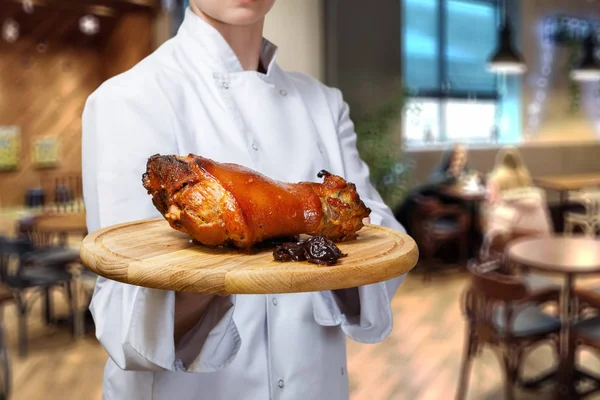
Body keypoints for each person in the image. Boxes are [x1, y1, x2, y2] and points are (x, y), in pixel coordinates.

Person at [81, 1, 406, 399]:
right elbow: (122, 323)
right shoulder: (126, 99)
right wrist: (212, 261)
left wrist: (313, 237)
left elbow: (384, 247)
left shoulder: (324, 104)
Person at [480, 147, 552, 258]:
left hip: (509, 229)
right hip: (535, 232)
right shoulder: (525, 176)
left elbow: (492, 200)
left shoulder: (496, 177)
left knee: (483, 216)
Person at [393, 143, 471, 234]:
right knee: (411, 199)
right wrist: (450, 174)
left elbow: (467, 184)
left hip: (449, 203)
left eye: (460, 155)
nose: (457, 158)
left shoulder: (466, 171)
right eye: (455, 155)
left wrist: (458, 175)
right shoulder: (443, 168)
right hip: (431, 196)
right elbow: (433, 180)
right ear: (449, 156)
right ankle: (397, 225)